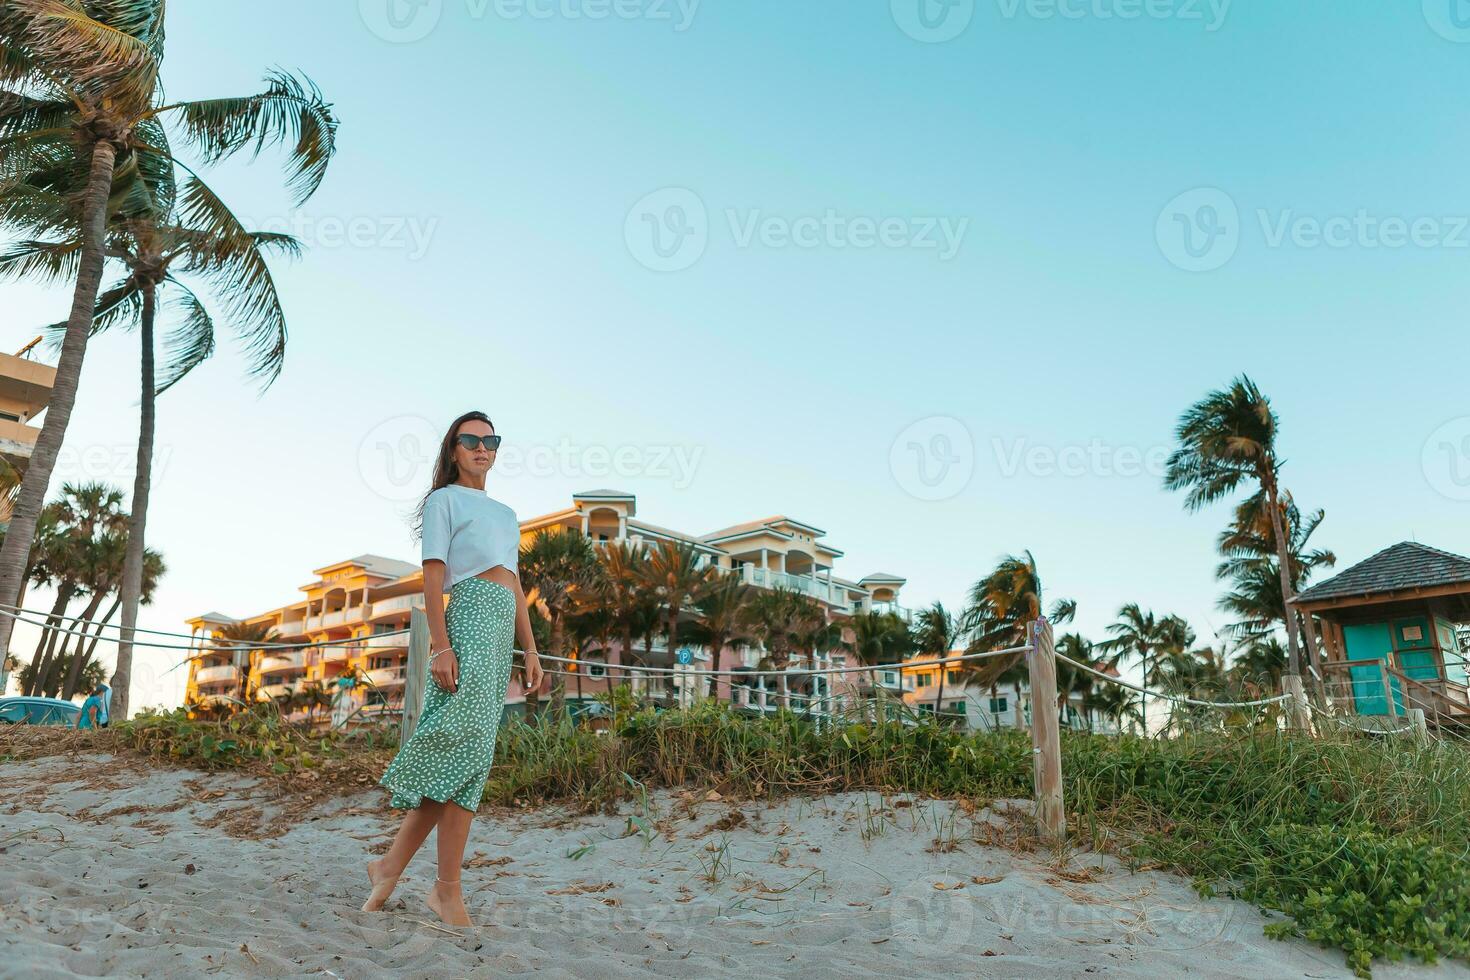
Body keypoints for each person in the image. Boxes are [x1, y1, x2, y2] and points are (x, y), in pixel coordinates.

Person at [362, 411, 543, 927]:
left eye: (490, 441)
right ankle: (442, 889)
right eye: (471, 440)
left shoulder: (507, 514)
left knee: (469, 758)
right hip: (463, 622)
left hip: (499, 628)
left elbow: (514, 582)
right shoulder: (444, 501)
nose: (481, 448)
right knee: (460, 751)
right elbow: (434, 577)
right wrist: (440, 647)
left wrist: (529, 649)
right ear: (454, 450)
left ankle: (394, 868)